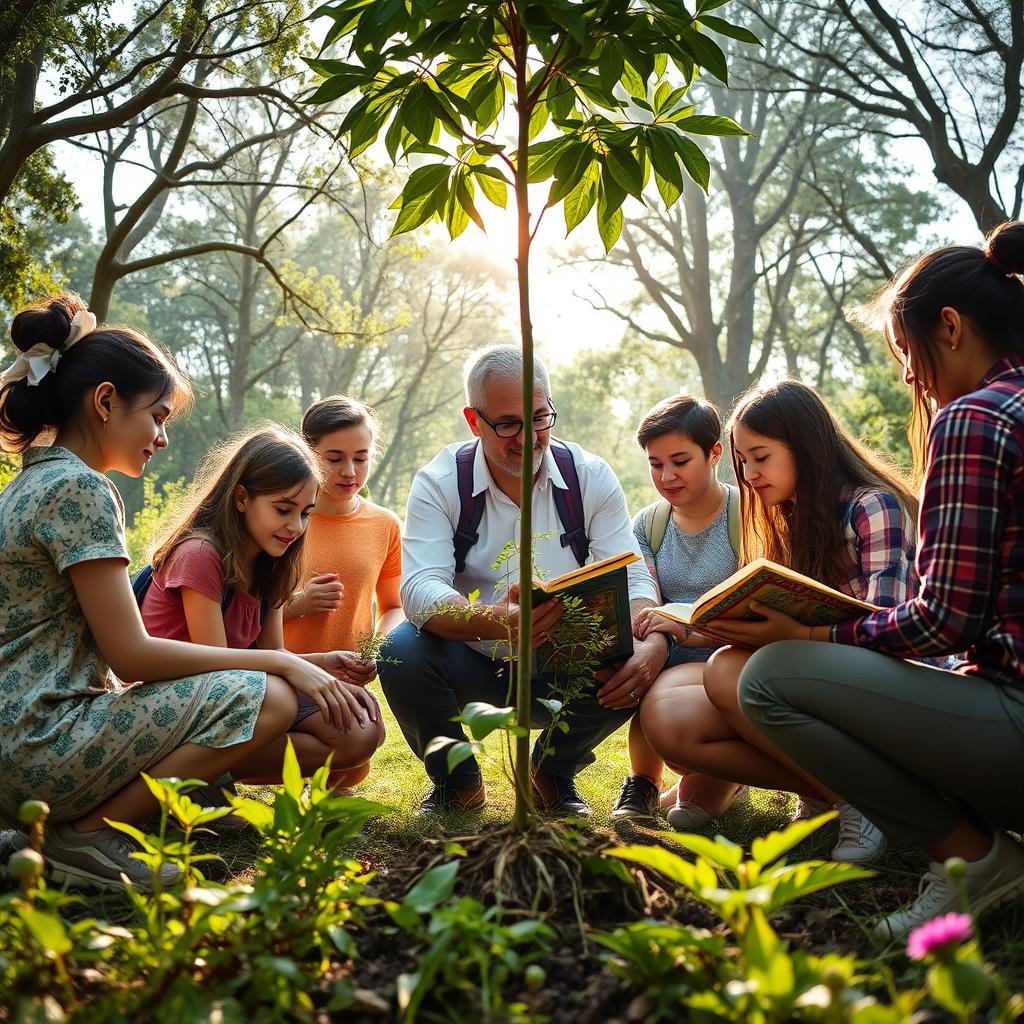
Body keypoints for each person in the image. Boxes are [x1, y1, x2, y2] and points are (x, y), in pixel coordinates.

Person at [0, 293, 355, 891]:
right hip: (40, 744)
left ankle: (51, 831)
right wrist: (277, 662)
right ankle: (85, 838)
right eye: (158, 415)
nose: (162, 437)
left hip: (18, 745)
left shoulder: (33, 481)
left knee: (273, 691)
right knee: (267, 698)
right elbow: (130, 655)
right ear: (106, 401)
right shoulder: (81, 491)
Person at [730, 221, 1024, 938]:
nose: (906, 375)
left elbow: (940, 622)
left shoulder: (975, 420)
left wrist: (808, 630)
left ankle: (975, 860)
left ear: (949, 327)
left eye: (904, 351)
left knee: (767, 678)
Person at [639, 378, 918, 864]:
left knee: (728, 670)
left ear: (806, 448)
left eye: (760, 457)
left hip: (880, 688)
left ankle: (865, 797)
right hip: (811, 678)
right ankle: (831, 790)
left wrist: (803, 635)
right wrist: (691, 624)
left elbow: (891, 630)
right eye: (744, 461)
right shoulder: (781, 517)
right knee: (670, 721)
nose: (748, 474)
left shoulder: (871, 507)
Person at [378, 345, 661, 816]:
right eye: (508, 423)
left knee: (634, 661)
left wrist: (642, 638)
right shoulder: (440, 481)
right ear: (473, 420)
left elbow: (631, 578)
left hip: (567, 663)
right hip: (473, 656)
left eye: (540, 417)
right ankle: (457, 782)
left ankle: (552, 772)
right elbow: (419, 591)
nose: (528, 437)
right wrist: (494, 622)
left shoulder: (590, 477)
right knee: (401, 650)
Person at [140, 425, 384, 794]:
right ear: (241, 498)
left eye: (305, 513)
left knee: (362, 730)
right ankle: (193, 780)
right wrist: (295, 668)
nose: (295, 526)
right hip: (176, 699)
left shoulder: (273, 562)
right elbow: (217, 667)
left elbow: (273, 653)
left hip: (228, 690)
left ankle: (208, 776)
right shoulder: (200, 555)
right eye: (283, 509)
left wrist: (323, 663)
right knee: (297, 704)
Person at [609, 395, 746, 829]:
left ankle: (728, 775)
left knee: (689, 815)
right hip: (665, 653)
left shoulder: (748, 516)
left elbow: (750, 609)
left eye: (680, 461)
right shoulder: (647, 525)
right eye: (655, 464)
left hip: (729, 657)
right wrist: (656, 638)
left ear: (715, 453)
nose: (666, 476)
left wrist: (688, 628)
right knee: (641, 666)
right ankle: (643, 781)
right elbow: (642, 597)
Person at [283, 394, 403, 655]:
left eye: (360, 459)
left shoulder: (386, 524)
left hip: (349, 684)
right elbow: (240, 615)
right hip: (280, 678)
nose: (349, 472)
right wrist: (298, 604)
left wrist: (373, 651)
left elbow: (393, 607)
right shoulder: (280, 518)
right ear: (307, 454)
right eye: (334, 459)